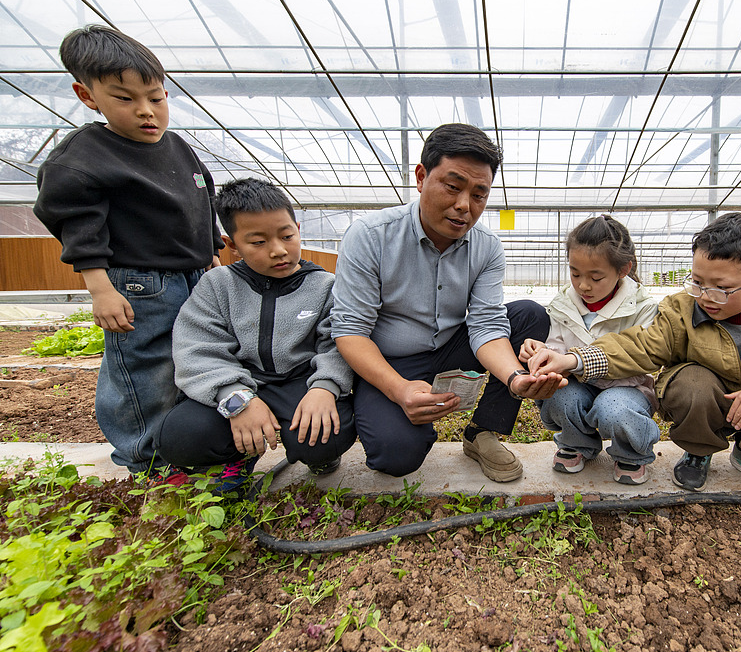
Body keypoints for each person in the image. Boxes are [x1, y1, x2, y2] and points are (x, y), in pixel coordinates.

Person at [528, 212, 741, 502]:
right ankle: (698, 452)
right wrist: (573, 360)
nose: (705, 296)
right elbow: (641, 346)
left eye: (720, 288)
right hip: (710, 402)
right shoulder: (682, 308)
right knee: (690, 383)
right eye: (697, 282)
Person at [33, 25, 221, 477]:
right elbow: (78, 224)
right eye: (124, 98)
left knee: (192, 357)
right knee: (144, 366)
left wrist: (212, 253)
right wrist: (100, 289)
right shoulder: (84, 156)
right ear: (87, 94)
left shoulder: (176, 147)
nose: (146, 112)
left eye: (156, 98)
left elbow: (202, 200)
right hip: (139, 284)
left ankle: (180, 447)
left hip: (194, 275)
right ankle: (145, 458)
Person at [331, 123, 566, 481]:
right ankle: (374, 405)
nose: (463, 206)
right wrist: (399, 389)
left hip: (451, 346)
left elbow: (486, 324)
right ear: (422, 177)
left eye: (479, 195)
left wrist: (515, 378)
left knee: (528, 315)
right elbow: (350, 331)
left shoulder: (486, 247)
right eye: (453, 187)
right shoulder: (370, 236)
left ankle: (481, 433)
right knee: (395, 456)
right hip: (393, 360)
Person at [155, 178, 356, 491]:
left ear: (297, 228)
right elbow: (197, 349)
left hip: (298, 383)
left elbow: (337, 345)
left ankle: (318, 456)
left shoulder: (324, 286)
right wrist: (238, 400)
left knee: (325, 437)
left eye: (287, 236)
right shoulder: (217, 286)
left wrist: (325, 388)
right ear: (232, 244)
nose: (278, 251)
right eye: (258, 242)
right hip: (238, 379)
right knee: (179, 436)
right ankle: (236, 456)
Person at [519, 215, 661, 485]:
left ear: (623, 270)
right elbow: (557, 344)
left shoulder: (642, 308)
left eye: (596, 277)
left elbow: (640, 360)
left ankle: (631, 453)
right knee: (561, 397)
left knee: (613, 407)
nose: (583, 285)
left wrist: (574, 364)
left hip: (628, 389)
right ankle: (577, 443)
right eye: (575, 274)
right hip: (581, 385)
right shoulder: (564, 303)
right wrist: (541, 352)